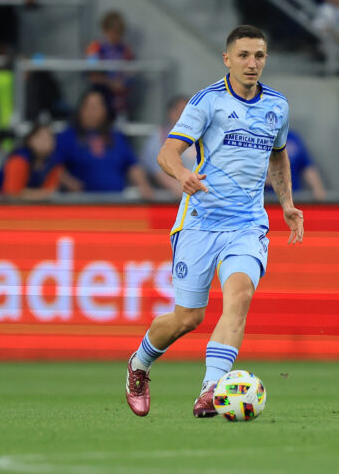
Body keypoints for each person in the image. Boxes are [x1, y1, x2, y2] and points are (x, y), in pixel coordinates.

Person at [124, 25, 304, 418]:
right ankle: (139, 364)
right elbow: (168, 153)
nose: (251, 63)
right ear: (227, 59)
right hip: (200, 222)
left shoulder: (278, 106)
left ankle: (212, 389)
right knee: (188, 317)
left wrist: (287, 203)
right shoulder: (207, 102)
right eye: (243, 55)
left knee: (238, 298)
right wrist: (181, 174)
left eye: (258, 56)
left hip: (248, 224)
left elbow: (278, 155)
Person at [56, 88, 153, 198]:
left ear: (104, 110)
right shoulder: (67, 136)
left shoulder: (116, 136)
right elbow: (54, 167)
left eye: (97, 107)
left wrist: (144, 186)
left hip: (115, 203)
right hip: (81, 203)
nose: (92, 111)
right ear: (81, 110)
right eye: (89, 106)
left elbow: (132, 165)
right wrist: (70, 183)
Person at [0, 123, 62, 199]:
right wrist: (38, 194)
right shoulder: (19, 160)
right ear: (30, 140)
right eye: (41, 138)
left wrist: (31, 194)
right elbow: (11, 193)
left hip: (24, 206)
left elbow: (49, 192)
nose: (46, 142)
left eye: (50, 137)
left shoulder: (53, 163)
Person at [140, 95, 196, 198]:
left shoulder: (200, 136)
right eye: (180, 112)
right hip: (170, 199)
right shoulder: (159, 136)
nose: (184, 116)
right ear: (171, 113)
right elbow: (156, 169)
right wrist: (178, 188)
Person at [86, 11, 136, 117]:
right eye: (113, 32)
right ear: (105, 30)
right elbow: (91, 74)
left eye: (119, 32)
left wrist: (124, 82)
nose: (115, 36)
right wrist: (110, 83)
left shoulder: (125, 49)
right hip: (101, 93)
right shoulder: (95, 47)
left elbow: (131, 72)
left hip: (121, 96)